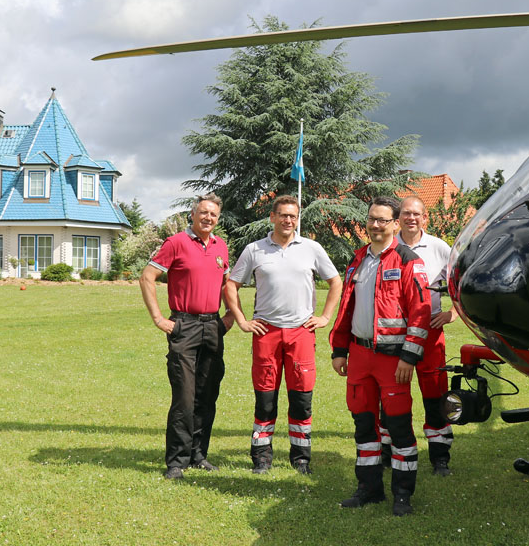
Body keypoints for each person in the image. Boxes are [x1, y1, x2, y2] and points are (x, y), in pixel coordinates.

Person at [225, 195, 342, 475]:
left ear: (297, 219)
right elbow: (231, 285)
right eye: (283, 215)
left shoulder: (311, 248)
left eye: (293, 216)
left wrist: (325, 317)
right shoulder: (255, 249)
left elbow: (335, 281)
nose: (288, 220)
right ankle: (261, 455)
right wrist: (241, 320)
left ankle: (300, 456)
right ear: (272, 218)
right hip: (266, 332)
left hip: (301, 332)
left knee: (301, 397)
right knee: (265, 397)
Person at [330, 196, 431, 517]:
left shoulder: (408, 261)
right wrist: (339, 350)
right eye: (371, 219)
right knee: (364, 427)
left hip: (394, 361)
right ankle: (369, 489)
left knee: (399, 429)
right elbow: (347, 308)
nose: (375, 225)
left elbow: (421, 313)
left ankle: (402, 495)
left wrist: (409, 357)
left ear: (395, 223)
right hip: (360, 357)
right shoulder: (358, 259)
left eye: (382, 220)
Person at [140, 193, 237, 480]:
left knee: (208, 395)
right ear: (193, 215)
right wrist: (159, 318)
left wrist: (231, 316)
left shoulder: (221, 246)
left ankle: (198, 455)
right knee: (184, 396)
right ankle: (177, 461)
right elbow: (147, 277)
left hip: (213, 327)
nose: (208, 218)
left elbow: (226, 286)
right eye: (204, 213)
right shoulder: (176, 243)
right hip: (184, 325)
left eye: (214, 215)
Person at [392, 195, 458, 476]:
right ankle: (390, 452)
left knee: (435, 395)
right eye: (406, 213)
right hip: (394, 334)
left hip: (430, 333)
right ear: (398, 218)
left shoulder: (439, 247)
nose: (411, 218)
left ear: (425, 218)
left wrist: (451, 313)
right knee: (394, 395)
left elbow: (459, 283)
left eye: (416, 214)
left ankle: (440, 456)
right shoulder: (389, 248)